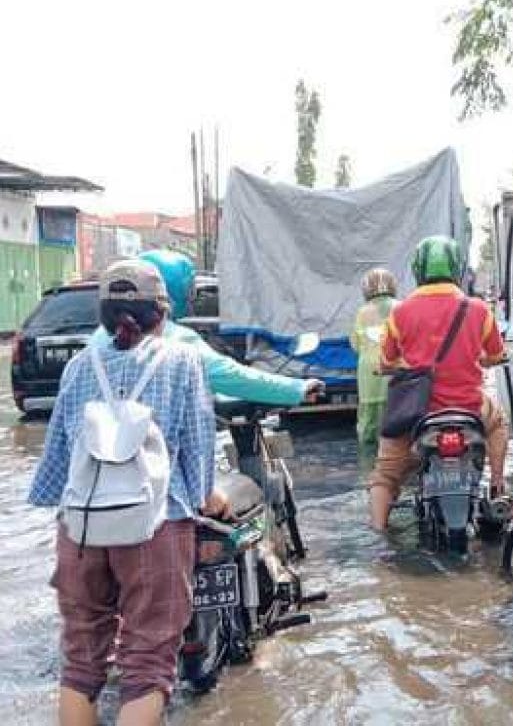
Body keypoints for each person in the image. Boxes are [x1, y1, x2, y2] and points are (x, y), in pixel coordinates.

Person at [28, 259, 224, 726]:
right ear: (162, 314)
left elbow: (57, 452)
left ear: (104, 314)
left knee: (80, 665)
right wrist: (206, 497)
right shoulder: (182, 361)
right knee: (147, 666)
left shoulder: (78, 366)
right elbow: (197, 448)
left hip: (80, 528)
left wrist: (63, 512)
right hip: (154, 528)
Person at [368, 235, 509, 531]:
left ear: (418, 269)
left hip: (418, 413)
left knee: (386, 474)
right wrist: (481, 360)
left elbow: (385, 362)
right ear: (458, 268)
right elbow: (497, 354)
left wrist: (404, 365)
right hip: (470, 408)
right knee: (498, 423)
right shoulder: (480, 310)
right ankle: (498, 487)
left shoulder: (400, 312)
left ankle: (379, 537)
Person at [90, 249, 323, 406]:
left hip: (94, 476)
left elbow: (57, 451)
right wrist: (297, 388)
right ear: (166, 298)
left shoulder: (88, 352)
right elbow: (233, 377)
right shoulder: (180, 348)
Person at [350, 267, 398, 448]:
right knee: (395, 413)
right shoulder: (401, 307)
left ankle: (368, 461)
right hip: (396, 369)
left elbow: (355, 344)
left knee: (368, 419)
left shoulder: (362, 312)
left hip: (369, 373)